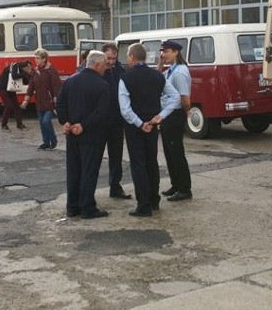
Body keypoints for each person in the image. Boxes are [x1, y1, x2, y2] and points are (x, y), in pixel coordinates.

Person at [118, 43, 181, 216]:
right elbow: (175, 97)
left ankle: (143, 205)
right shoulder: (157, 76)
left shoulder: (125, 77)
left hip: (135, 127)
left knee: (138, 164)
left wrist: (139, 123)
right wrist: (161, 115)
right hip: (153, 124)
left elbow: (125, 108)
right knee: (151, 162)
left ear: (131, 57)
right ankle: (154, 200)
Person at [55, 50, 110, 220]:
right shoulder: (102, 85)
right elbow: (101, 112)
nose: (106, 68)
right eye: (105, 65)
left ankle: (72, 206)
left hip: (72, 134)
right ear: (97, 64)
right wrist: (84, 126)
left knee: (74, 170)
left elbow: (60, 103)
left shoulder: (70, 81)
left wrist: (65, 122)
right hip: (92, 135)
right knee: (89, 170)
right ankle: (87, 207)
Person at [157, 40, 193, 202]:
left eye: (167, 51)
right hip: (168, 115)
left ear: (176, 52)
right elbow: (158, 78)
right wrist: (160, 63)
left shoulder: (179, 72)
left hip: (175, 115)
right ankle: (176, 185)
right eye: (162, 52)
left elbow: (185, 99)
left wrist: (186, 114)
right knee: (169, 152)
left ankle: (184, 189)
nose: (163, 55)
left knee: (176, 153)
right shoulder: (172, 70)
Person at [101, 43, 130, 199]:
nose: (111, 61)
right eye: (108, 58)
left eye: (113, 58)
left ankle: (115, 187)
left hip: (117, 121)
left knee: (116, 157)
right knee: (95, 157)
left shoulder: (120, 70)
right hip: (100, 122)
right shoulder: (96, 70)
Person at [21, 49, 62, 150]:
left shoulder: (50, 69)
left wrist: (56, 99)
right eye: (35, 58)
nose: (36, 60)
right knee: (42, 124)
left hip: (49, 102)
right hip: (39, 102)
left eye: (38, 58)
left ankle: (53, 140)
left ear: (44, 59)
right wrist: (26, 99)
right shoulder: (36, 71)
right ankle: (46, 142)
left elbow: (56, 85)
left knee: (46, 122)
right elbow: (31, 86)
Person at [0, 60, 33, 131]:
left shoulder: (23, 71)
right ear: (26, 66)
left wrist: (29, 76)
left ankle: (20, 125)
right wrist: (25, 73)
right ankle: (4, 125)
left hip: (11, 88)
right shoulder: (15, 66)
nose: (29, 69)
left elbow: (25, 82)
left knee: (16, 107)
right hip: (2, 87)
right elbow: (14, 76)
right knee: (8, 106)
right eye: (29, 68)